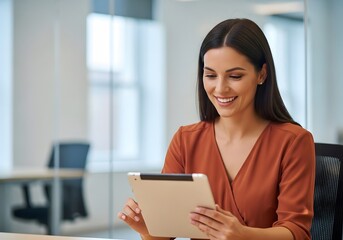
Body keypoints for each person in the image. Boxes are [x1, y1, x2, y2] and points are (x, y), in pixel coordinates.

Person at [117, 18, 315, 240]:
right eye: (210, 75)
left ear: (262, 74)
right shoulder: (186, 140)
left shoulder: (293, 141)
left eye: (235, 76)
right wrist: (148, 228)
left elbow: (296, 232)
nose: (220, 88)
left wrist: (243, 235)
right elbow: (167, 233)